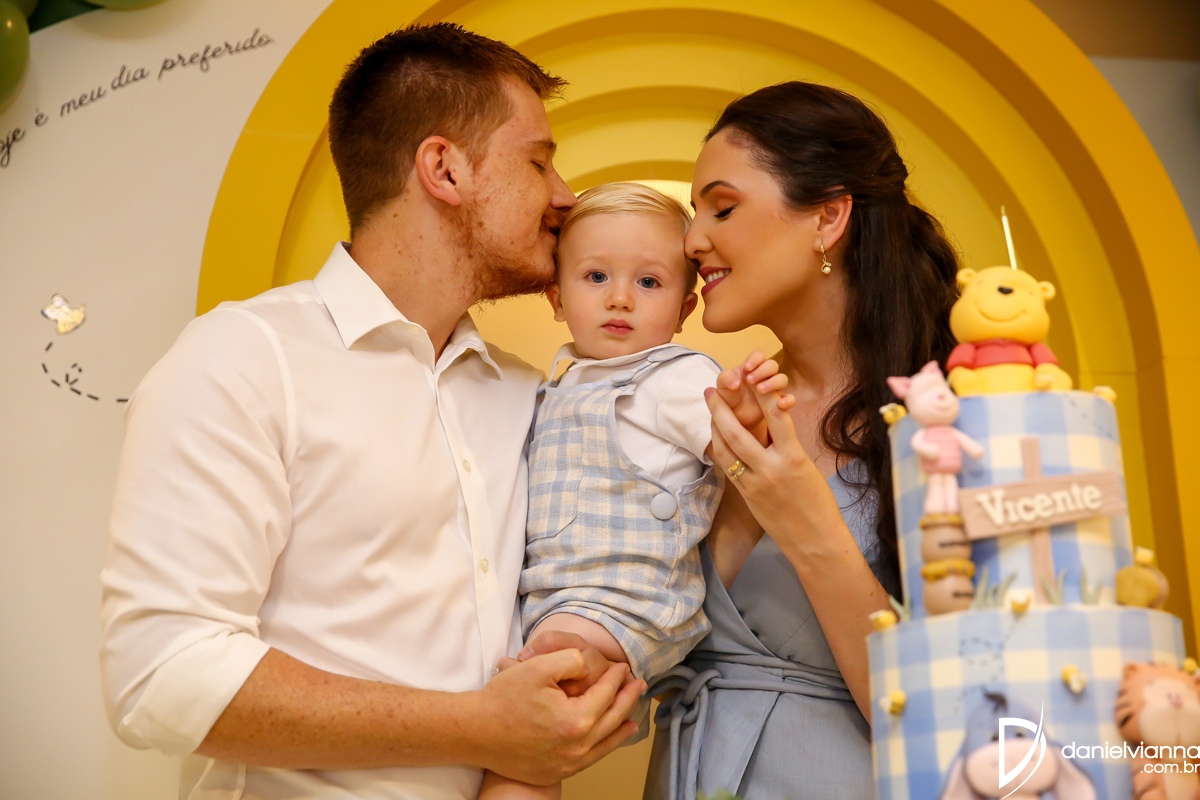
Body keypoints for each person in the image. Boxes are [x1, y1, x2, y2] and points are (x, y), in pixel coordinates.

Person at [99, 24, 646, 800]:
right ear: (444, 168)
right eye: (538, 161)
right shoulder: (243, 359)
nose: (565, 195)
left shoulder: (535, 398)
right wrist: (480, 726)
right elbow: (159, 675)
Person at [642, 81, 961, 799]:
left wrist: (806, 521)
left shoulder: (955, 421)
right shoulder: (711, 418)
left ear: (828, 216)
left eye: (722, 208)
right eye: (694, 215)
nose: (692, 242)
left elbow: (964, 729)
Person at [479, 183, 790, 800]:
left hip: (630, 599)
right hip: (562, 600)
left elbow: (740, 451)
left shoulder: (676, 378)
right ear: (556, 296)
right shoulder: (558, 386)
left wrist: (745, 414)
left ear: (684, 307)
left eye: (649, 282)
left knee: (536, 706)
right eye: (596, 276)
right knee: (531, 738)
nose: (620, 297)